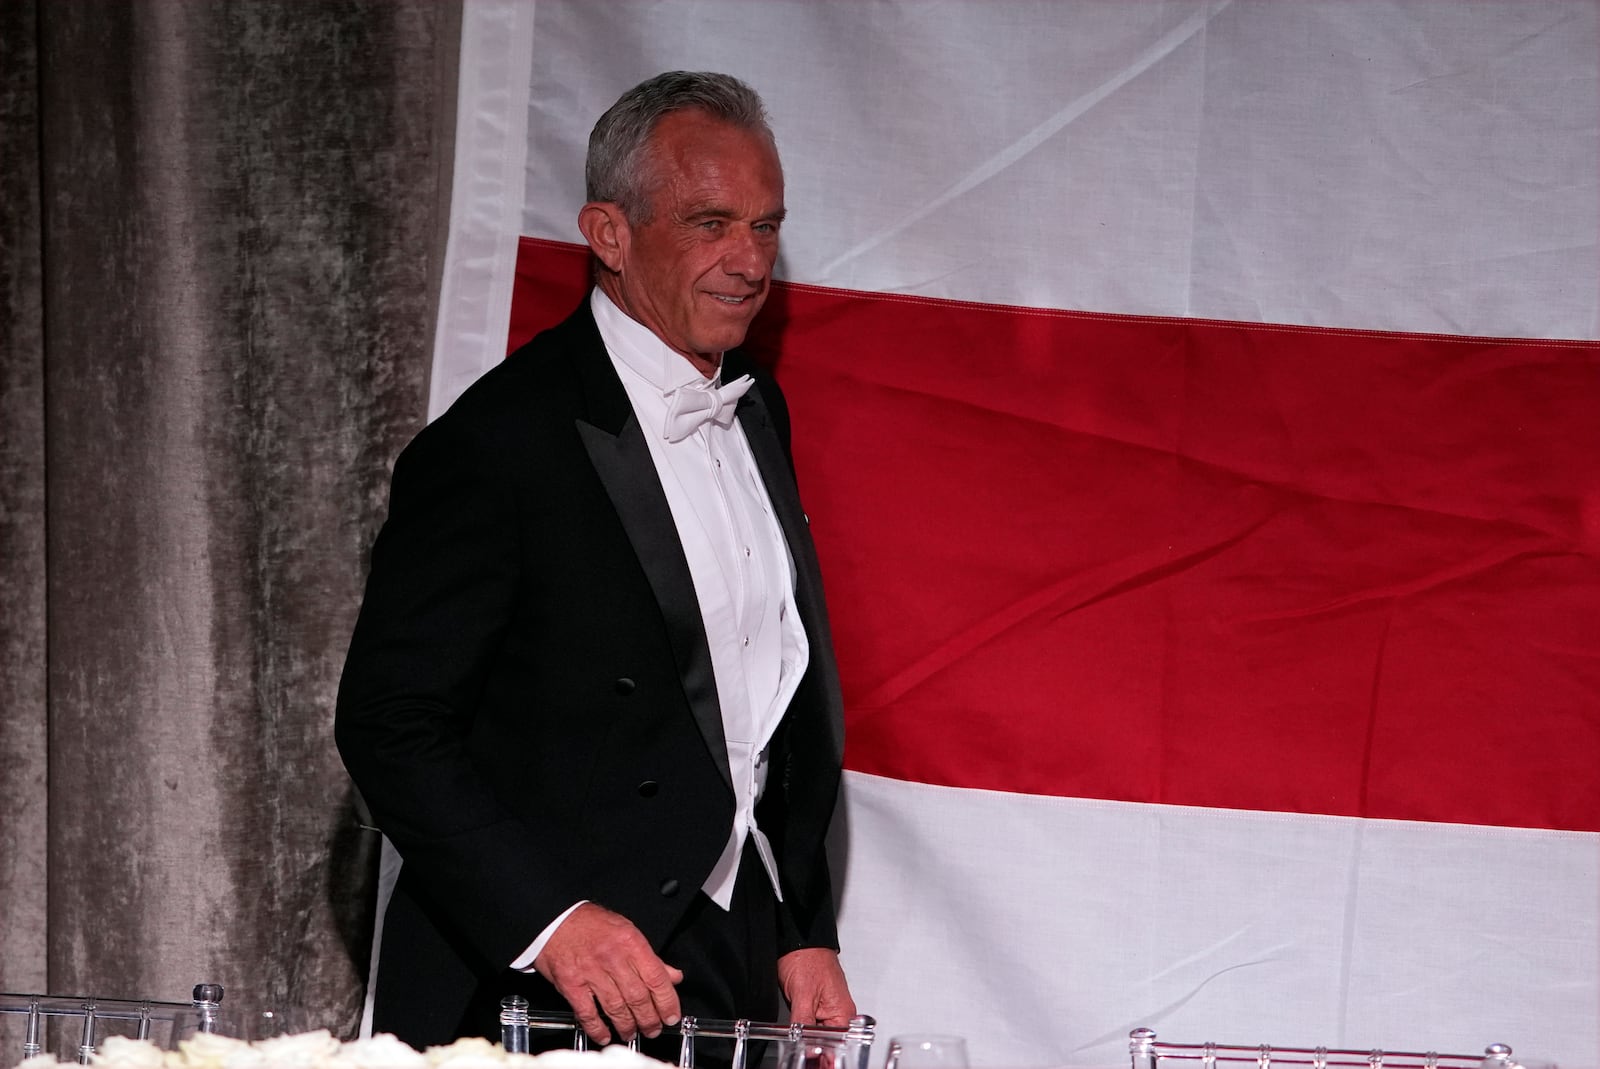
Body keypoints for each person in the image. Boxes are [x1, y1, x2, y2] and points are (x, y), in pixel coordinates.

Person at [335, 71, 855, 1051]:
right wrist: (551, 922)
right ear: (608, 234)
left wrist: (797, 925)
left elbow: (765, 700)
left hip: (731, 956)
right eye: (710, 223)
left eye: (765, 225)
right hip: (546, 984)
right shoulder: (497, 443)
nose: (748, 261)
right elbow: (390, 723)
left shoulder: (758, 413)